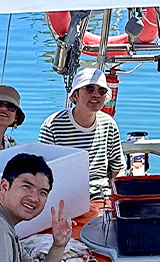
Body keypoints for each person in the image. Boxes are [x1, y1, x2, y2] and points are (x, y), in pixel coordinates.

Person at [38, 67, 125, 201]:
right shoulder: (52, 125)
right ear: (75, 95)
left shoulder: (109, 124)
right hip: (64, 197)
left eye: (101, 91)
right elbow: (42, 171)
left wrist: (116, 199)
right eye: (89, 89)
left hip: (100, 198)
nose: (96, 95)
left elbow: (117, 168)